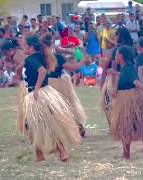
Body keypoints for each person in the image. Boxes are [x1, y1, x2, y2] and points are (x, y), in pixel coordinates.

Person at [17, 34, 80, 162]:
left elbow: (42, 71)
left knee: (31, 125)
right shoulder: (42, 56)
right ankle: (59, 152)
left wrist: (36, 89)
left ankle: (41, 155)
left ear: (31, 46)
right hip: (46, 92)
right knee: (49, 123)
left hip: (36, 95)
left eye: (25, 45)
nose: (23, 48)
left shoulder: (31, 59)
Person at [109, 45, 143, 159]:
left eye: (117, 54)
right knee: (127, 128)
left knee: (141, 127)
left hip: (133, 102)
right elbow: (117, 88)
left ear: (121, 56)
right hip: (125, 101)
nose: (115, 56)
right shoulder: (124, 69)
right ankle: (126, 155)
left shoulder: (129, 69)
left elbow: (137, 83)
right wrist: (114, 76)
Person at [41, 33, 88, 137]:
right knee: (69, 106)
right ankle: (79, 128)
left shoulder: (40, 57)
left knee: (51, 109)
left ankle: (54, 132)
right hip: (58, 84)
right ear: (52, 43)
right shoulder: (57, 57)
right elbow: (73, 68)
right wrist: (83, 61)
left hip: (45, 85)